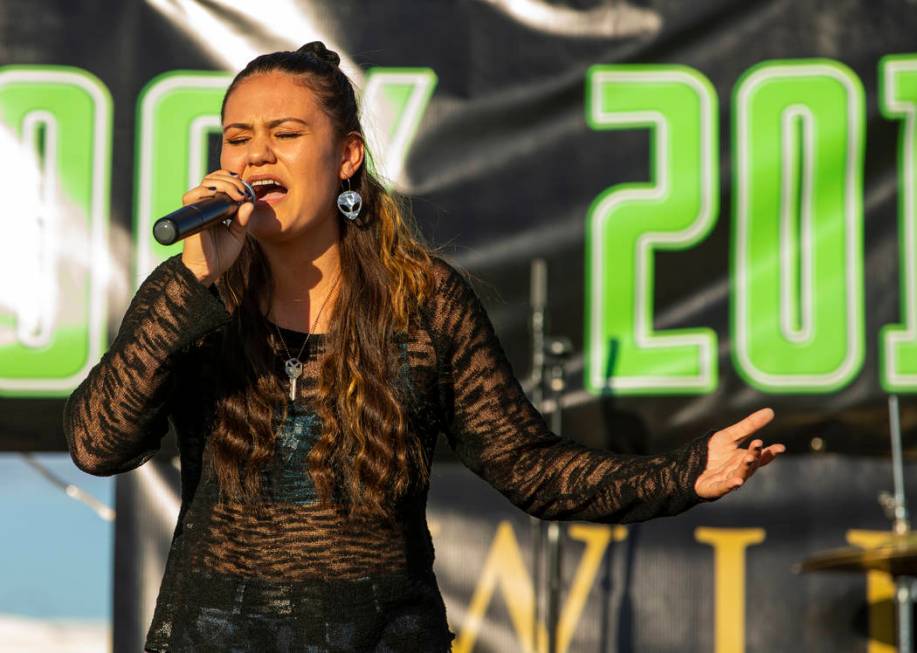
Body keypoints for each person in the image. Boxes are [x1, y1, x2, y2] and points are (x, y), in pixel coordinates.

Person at [63, 41, 784, 652]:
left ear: (346, 157)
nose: (255, 155)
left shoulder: (423, 302)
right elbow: (98, 444)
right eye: (236, 136)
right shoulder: (194, 292)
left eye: (284, 134)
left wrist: (686, 474)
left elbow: (530, 468)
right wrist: (192, 279)